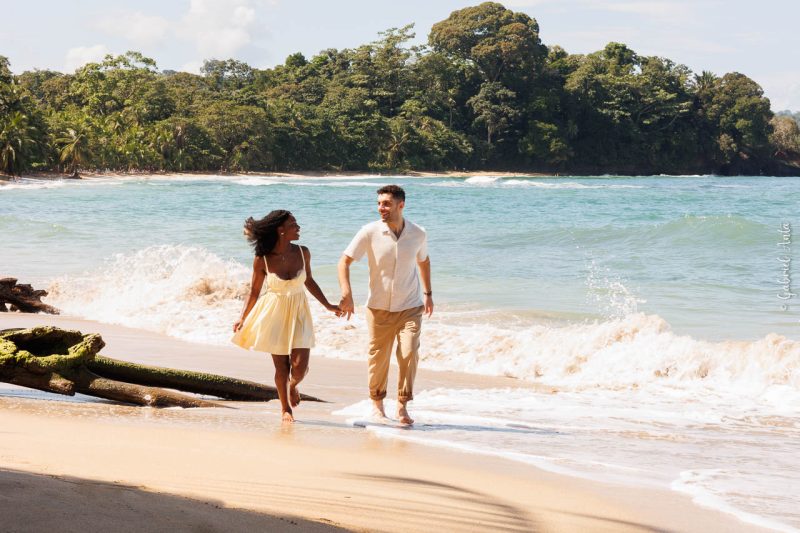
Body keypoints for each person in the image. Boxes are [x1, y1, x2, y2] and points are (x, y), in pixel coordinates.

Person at [232, 210, 341, 423]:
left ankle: (293, 385)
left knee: (299, 367)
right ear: (280, 230)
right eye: (294, 224)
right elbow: (254, 292)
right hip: (274, 313)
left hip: (299, 311)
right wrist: (242, 317)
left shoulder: (303, 252)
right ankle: (285, 409)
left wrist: (328, 305)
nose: (298, 227)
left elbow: (309, 280)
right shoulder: (262, 259)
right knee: (281, 367)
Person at [338, 185, 433, 426]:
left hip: (410, 306)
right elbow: (344, 261)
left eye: (387, 203)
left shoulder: (418, 233)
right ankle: (377, 404)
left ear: (401, 205)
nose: (381, 208)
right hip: (378, 307)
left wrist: (428, 294)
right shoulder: (369, 232)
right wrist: (347, 293)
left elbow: (423, 261)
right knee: (378, 358)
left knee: (409, 352)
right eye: (379, 203)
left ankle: (402, 404)